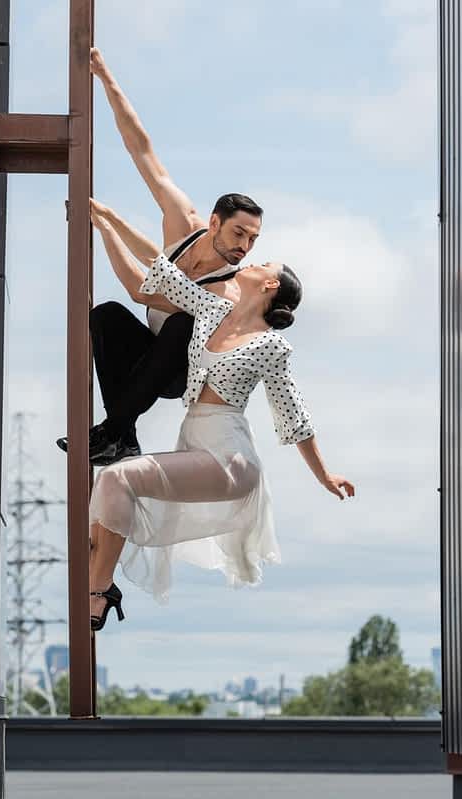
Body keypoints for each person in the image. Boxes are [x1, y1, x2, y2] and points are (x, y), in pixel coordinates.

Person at [87, 201, 355, 629]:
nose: (252, 256)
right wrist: (108, 219)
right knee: (109, 484)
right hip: (193, 443)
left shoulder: (270, 346)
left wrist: (325, 476)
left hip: (229, 457)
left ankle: (95, 592)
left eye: (264, 259)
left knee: (118, 478)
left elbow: (294, 417)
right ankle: (98, 582)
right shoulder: (212, 311)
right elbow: (161, 266)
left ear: (268, 283)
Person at [56, 49, 264, 466]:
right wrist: (106, 79)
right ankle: (123, 436)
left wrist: (107, 227)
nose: (245, 245)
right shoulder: (183, 225)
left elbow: (142, 289)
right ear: (213, 222)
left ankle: (114, 429)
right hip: (145, 351)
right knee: (106, 316)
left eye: (253, 239)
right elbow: (142, 151)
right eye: (239, 232)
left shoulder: (227, 288)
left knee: (181, 323)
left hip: (177, 373)